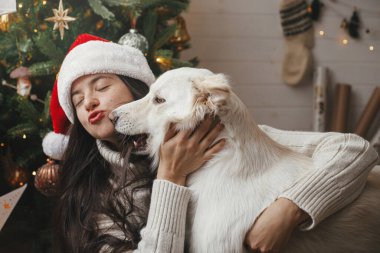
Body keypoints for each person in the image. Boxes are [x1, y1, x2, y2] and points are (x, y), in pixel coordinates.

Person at [43, 34, 378, 253]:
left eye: (101, 86)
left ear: (138, 89)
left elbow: (355, 150)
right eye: (77, 98)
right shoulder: (93, 197)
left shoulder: (216, 138)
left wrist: (288, 210)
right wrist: (171, 176)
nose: (89, 102)